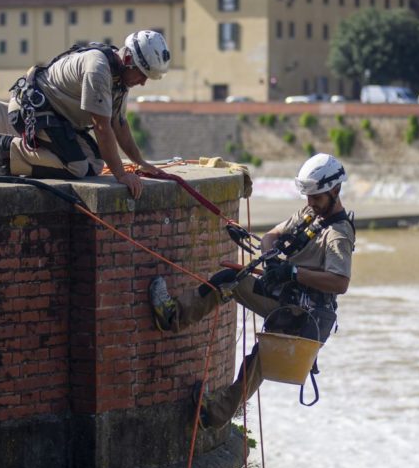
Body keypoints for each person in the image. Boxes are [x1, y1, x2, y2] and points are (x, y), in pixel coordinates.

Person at [148, 153, 355, 430]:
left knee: (229, 281)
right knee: (258, 359)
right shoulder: (309, 216)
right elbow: (272, 235)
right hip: (288, 299)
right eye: (308, 197)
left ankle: (173, 315)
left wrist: (293, 272)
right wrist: (271, 257)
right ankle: (214, 414)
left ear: (335, 190)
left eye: (316, 198)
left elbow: (340, 282)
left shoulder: (337, 234)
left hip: (305, 314)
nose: (311, 203)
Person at [0, 30, 170, 200]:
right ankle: (4, 151)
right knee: (77, 167)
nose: (143, 82)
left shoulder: (120, 78)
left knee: (95, 164)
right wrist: (121, 175)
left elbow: (119, 124)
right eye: (142, 74)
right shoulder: (98, 69)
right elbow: (102, 128)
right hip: (31, 110)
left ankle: (19, 153)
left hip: (58, 115)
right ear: (128, 60)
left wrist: (141, 163)